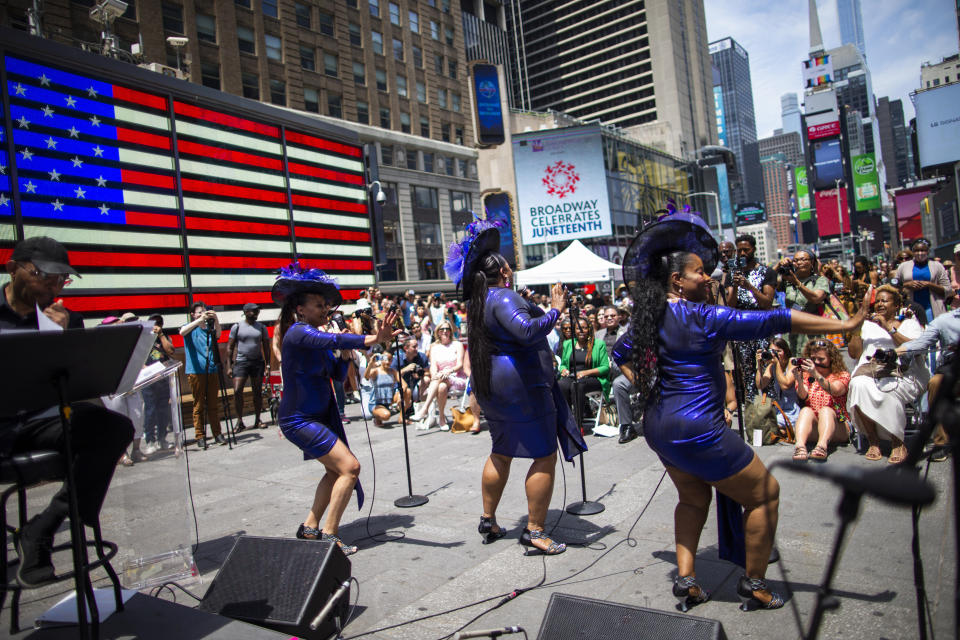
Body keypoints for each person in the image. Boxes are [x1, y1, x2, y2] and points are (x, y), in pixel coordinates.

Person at [618, 202, 869, 612]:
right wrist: (843, 325)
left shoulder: (649, 316)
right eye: (700, 271)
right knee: (764, 494)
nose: (709, 276)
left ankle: (686, 580)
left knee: (693, 499)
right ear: (679, 280)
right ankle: (754, 585)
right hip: (699, 427)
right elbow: (776, 319)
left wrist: (650, 384)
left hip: (659, 425)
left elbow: (621, 354)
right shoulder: (704, 316)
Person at [445, 219, 586, 555]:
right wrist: (556, 310)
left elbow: (521, 322)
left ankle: (488, 519)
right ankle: (535, 530)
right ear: (504, 273)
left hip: (495, 385)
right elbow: (526, 331)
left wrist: (532, 305)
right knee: (544, 455)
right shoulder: (503, 298)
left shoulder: (483, 299)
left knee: (501, 451)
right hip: (522, 386)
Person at [1, 236, 133, 587]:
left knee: (114, 428)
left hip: (39, 421)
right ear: (12, 269)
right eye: (45, 275)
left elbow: (76, 386)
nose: (55, 286)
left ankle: (43, 529)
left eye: (62, 279)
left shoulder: (61, 318)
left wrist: (57, 341)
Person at [273, 262, 397, 555]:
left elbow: (339, 376)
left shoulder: (315, 339)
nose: (324, 310)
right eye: (318, 305)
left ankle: (310, 527)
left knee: (334, 472)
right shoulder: (297, 333)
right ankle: (330, 534)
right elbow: (333, 337)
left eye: (325, 305)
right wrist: (373, 339)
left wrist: (343, 356)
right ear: (300, 309)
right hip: (298, 419)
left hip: (317, 416)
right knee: (350, 467)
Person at [846, 285, 926, 464]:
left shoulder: (909, 323)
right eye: (878, 301)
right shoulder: (867, 325)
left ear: (897, 305)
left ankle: (897, 441)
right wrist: (858, 328)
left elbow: (917, 348)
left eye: (885, 301)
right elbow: (854, 353)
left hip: (903, 374)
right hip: (870, 371)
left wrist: (889, 328)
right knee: (857, 384)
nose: (880, 304)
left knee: (888, 388)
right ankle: (873, 440)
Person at [897, 305, 960, 462]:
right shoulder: (945, 320)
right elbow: (921, 343)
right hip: (953, 368)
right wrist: (899, 350)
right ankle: (942, 442)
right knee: (935, 383)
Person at [726, 234, 777, 401]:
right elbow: (731, 305)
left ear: (753, 249)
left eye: (745, 250)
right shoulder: (733, 274)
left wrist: (749, 286)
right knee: (747, 373)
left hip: (762, 327)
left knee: (764, 369)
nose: (742, 254)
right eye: (739, 250)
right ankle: (752, 411)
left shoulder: (766, 272)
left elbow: (767, 303)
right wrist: (734, 284)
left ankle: (768, 407)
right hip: (742, 329)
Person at [792, 339, 852, 462]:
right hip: (815, 426)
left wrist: (816, 375)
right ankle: (800, 446)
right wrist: (798, 379)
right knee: (806, 410)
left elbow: (836, 390)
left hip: (838, 427)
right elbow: (803, 396)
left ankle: (822, 446)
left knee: (826, 411)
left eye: (821, 359)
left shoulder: (842, 375)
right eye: (813, 359)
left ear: (831, 359)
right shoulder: (807, 375)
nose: (817, 363)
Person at [180, 301, 226, 447]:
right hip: (196, 371)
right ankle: (199, 435)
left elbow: (218, 335)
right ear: (193, 314)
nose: (202, 313)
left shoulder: (209, 328)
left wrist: (216, 319)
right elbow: (181, 332)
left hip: (211, 369)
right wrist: (199, 320)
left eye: (204, 311)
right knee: (198, 404)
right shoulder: (190, 328)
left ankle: (217, 433)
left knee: (213, 404)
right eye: (199, 312)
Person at [557, 316, 610, 432]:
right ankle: (567, 421)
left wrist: (585, 372)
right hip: (573, 376)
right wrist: (563, 370)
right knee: (561, 385)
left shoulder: (598, 344)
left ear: (589, 330)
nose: (581, 331)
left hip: (593, 378)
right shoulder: (568, 344)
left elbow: (605, 367)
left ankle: (578, 424)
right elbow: (563, 364)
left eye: (584, 328)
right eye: (578, 328)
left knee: (577, 385)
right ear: (574, 330)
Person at [411, 320, 468, 429]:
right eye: (442, 329)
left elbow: (460, 364)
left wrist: (449, 371)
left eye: (447, 329)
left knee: (439, 380)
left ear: (451, 331)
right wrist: (434, 375)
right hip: (441, 378)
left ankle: (424, 409)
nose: (445, 331)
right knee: (441, 387)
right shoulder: (434, 347)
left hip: (456, 376)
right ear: (438, 332)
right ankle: (441, 419)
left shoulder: (457, 344)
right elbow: (433, 365)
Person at [776, 250, 830, 356]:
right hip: (791, 331)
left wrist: (796, 282)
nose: (799, 262)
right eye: (796, 260)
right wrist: (779, 265)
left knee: (811, 363)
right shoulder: (786, 281)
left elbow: (816, 298)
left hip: (811, 331)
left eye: (803, 259)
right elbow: (767, 281)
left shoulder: (820, 280)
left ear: (812, 262)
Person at [227, 302, 271, 432]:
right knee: (237, 390)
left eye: (257, 311)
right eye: (254, 311)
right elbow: (229, 347)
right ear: (246, 312)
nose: (256, 313)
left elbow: (266, 347)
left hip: (257, 362)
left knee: (257, 391)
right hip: (241, 362)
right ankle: (239, 421)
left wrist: (268, 364)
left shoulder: (262, 327)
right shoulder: (237, 327)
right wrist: (229, 366)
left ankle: (258, 419)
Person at [142, 313, 176, 454]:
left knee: (163, 410)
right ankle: (150, 440)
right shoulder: (143, 339)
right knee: (150, 410)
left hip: (163, 378)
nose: (156, 325)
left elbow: (171, 351)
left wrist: (161, 335)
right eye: (154, 323)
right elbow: (139, 359)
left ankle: (162, 438)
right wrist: (149, 372)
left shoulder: (165, 337)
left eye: (159, 323)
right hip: (149, 379)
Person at [896, 239, 953, 321]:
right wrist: (907, 285)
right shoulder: (903, 266)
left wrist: (929, 285)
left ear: (928, 251)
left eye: (923, 250)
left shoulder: (937, 266)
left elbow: (947, 289)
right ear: (912, 252)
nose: (920, 253)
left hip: (932, 309)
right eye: (916, 251)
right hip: (910, 309)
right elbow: (895, 287)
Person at [754, 338, 801, 430]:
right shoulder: (772, 366)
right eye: (772, 351)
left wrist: (777, 363)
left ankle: (785, 431)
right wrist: (759, 365)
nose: (775, 354)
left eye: (778, 351)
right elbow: (760, 385)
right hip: (778, 410)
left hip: (792, 411)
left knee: (767, 426)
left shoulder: (792, 362)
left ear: (786, 351)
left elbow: (785, 385)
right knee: (757, 422)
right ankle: (783, 432)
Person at [391, 337, 429, 410]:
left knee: (426, 379)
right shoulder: (397, 359)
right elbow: (392, 376)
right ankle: (403, 409)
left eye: (417, 346)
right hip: (402, 387)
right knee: (404, 405)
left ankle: (422, 407)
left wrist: (420, 375)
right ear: (406, 348)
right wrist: (405, 369)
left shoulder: (422, 356)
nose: (416, 349)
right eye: (414, 347)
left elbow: (428, 372)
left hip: (416, 387)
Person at [364, 350, 400, 427]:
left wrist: (400, 399)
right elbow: (366, 377)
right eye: (385, 359)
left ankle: (401, 416)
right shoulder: (376, 371)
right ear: (381, 359)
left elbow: (403, 384)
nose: (387, 362)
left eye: (389, 359)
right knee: (386, 415)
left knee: (405, 393)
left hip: (388, 401)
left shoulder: (392, 371)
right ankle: (377, 417)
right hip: (376, 403)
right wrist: (370, 363)